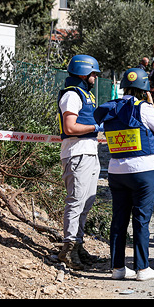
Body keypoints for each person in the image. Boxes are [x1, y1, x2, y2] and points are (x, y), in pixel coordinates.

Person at [94, 68, 154, 281]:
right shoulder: (144, 107)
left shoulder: (112, 107)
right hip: (143, 171)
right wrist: (151, 103)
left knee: (119, 220)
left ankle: (118, 268)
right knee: (141, 220)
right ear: (144, 89)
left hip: (116, 171)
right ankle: (142, 269)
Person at [57, 54, 104, 270]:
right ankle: (68, 249)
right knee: (76, 201)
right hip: (76, 154)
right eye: (93, 73)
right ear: (84, 74)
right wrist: (96, 128)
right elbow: (70, 128)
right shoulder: (72, 96)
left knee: (86, 202)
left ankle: (78, 245)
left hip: (88, 153)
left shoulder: (84, 94)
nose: (95, 77)